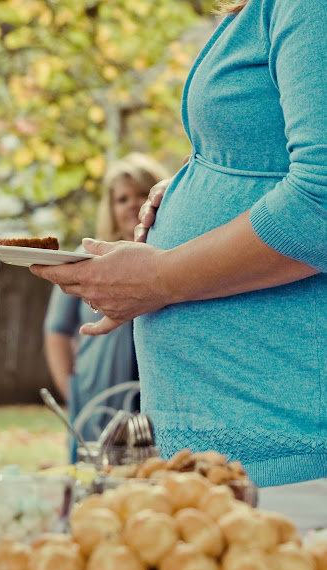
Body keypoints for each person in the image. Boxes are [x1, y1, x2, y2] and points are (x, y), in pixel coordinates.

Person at [30, 0, 327, 529]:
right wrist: (198, 180)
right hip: (228, 462)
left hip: (292, 460)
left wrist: (158, 279)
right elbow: (270, 156)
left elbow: (321, 204)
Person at [43, 153, 169, 461]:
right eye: (121, 198)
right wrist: (71, 388)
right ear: (110, 209)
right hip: (96, 389)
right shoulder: (85, 261)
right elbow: (57, 330)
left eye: (142, 193)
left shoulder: (174, 258)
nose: (131, 204)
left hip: (159, 390)